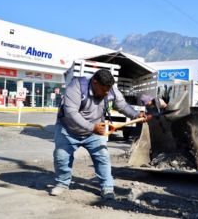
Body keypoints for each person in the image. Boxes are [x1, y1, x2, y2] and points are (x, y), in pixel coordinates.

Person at [50, 69, 147, 199]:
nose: (107, 93)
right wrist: (92, 127)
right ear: (94, 82)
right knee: (61, 157)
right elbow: (71, 113)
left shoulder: (111, 89)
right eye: (104, 89)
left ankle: (107, 188)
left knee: (103, 158)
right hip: (68, 130)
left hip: (94, 130)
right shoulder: (76, 86)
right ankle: (62, 183)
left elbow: (122, 105)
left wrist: (136, 114)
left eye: (109, 89)